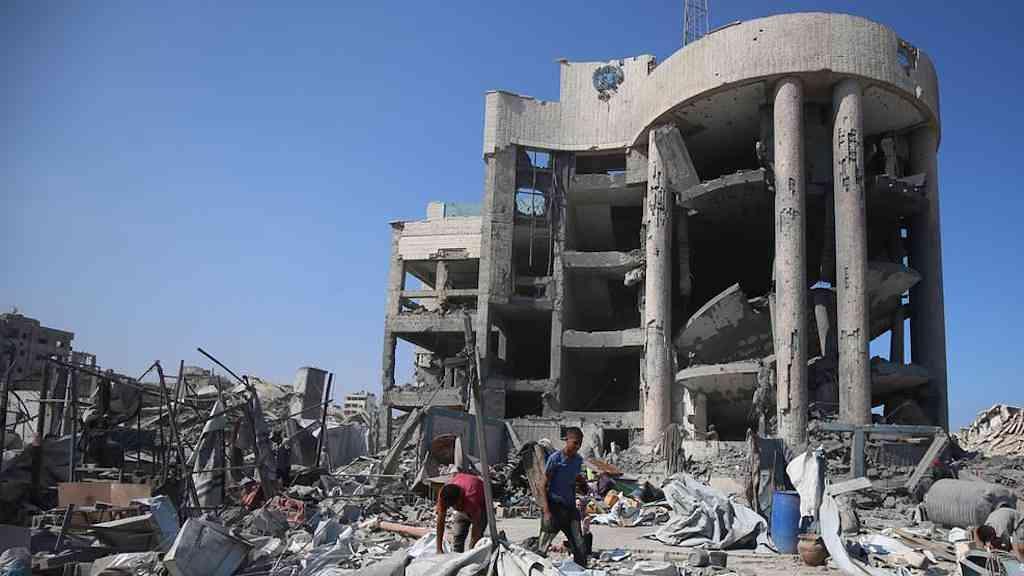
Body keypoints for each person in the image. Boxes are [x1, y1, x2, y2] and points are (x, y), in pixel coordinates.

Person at [538, 427, 589, 567]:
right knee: (543, 545)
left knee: (579, 544)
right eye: (575, 442)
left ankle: (581, 569)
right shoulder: (555, 459)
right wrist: (546, 511)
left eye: (580, 443)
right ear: (567, 440)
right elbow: (542, 485)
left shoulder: (578, 460)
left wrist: (582, 483)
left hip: (570, 508)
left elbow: (574, 476)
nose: (577, 446)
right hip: (554, 508)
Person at [435, 471, 485, 553]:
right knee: (458, 537)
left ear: (461, 497)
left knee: (477, 542)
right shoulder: (443, 494)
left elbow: (476, 527)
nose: (456, 508)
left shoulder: (472, 498)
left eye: (457, 505)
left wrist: (471, 551)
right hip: (465, 491)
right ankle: (457, 555)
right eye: (452, 507)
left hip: (482, 503)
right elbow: (440, 521)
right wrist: (439, 549)